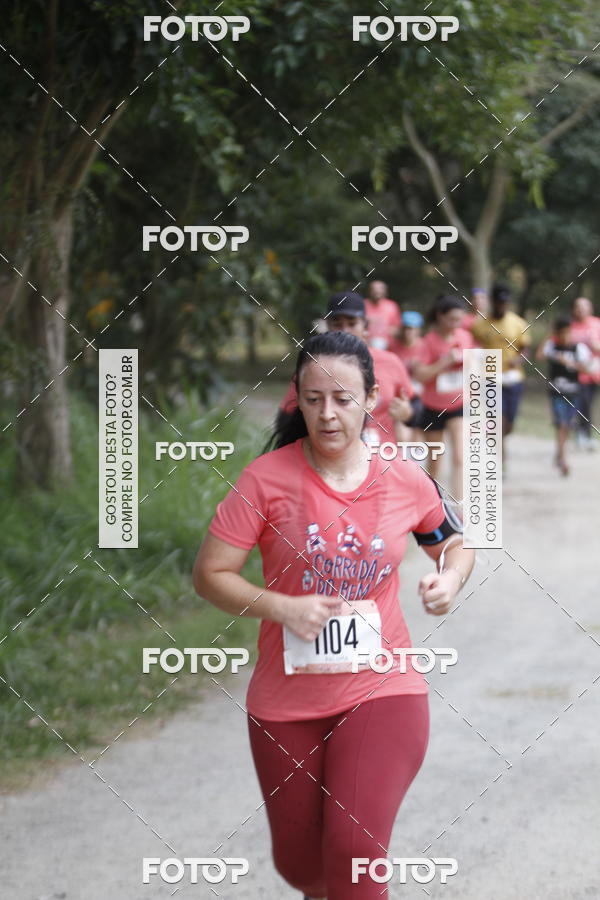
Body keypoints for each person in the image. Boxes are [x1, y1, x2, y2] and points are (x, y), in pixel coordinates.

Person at [193, 331, 474, 900]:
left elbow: (453, 542)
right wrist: (282, 607)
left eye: (343, 400)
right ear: (297, 399)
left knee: (352, 852)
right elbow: (210, 574)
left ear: (370, 399)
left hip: (384, 688)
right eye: (314, 399)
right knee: (305, 869)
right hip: (285, 700)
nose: (327, 414)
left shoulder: (401, 474)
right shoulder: (265, 479)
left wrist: (449, 578)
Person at [280, 292, 417, 446]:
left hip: (383, 453)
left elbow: (416, 408)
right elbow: (287, 419)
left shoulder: (390, 362)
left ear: (365, 326)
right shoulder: (313, 367)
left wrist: (408, 414)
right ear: (327, 326)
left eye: (352, 324)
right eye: (337, 324)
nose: (344, 330)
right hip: (330, 454)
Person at [412, 295, 477, 504]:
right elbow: (420, 376)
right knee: (435, 461)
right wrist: (444, 362)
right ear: (440, 316)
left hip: (459, 404)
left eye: (459, 320)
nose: (456, 324)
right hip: (433, 407)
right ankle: (433, 504)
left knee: (460, 455)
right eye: (452, 319)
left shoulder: (465, 337)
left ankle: (459, 507)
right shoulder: (428, 342)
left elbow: (473, 369)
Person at [470, 284, 531, 462]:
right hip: (488, 378)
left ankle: (498, 442)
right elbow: (472, 346)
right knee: (498, 419)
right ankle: (500, 458)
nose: (501, 305)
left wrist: (519, 360)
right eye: (498, 302)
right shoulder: (480, 325)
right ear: (493, 302)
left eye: (504, 302)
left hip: (513, 378)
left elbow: (526, 349)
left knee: (509, 423)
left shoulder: (518, 323)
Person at [540, 315, 593, 476]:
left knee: (567, 425)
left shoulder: (579, 348)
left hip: (573, 393)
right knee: (561, 424)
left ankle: (559, 453)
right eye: (561, 333)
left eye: (567, 332)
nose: (564, 336)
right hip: (556, 392)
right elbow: (540, 356)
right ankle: (563, 459)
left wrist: (570, 363)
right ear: (557, 333)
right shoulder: (552, 346)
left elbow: (587, 370)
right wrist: (549, 336)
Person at [569, 296, 600, 449]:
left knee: (586, 404)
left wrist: (595, 345)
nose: (580, 310)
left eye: (583, 307)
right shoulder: (570, 326)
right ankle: (581, 434)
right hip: (573, 373)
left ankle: (584, 434)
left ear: (590, 309)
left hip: (593, 373)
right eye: (577, 307)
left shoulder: (597, 324)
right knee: (579, 402)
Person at [390, 309, 425, 437]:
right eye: (405, 328)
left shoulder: (424, 346)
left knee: (418, 436)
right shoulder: (393, 346)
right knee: (402, 437)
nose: (407, 332)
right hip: (401, 396)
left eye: (411, 328)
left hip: (421, 397)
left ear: (418, 330)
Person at [364, 280, 402, 350]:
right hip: (366, 346)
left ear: (385, 291)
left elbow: (398, 329)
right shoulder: (363, 305)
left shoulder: (391, 306)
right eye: (374, 289)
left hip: (387, 347)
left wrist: (384, 330)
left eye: (380, 289)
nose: (377, 292)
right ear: (369, 291)